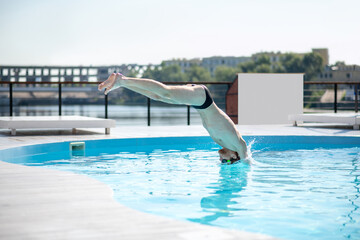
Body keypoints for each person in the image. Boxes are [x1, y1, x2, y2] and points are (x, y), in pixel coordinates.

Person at [98, 73, 248, 164]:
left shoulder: (222, 142)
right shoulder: (237, 145)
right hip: (203, 99)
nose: (222, 160)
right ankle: (122, 79)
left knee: (157, 96)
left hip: (199, 103)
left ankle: (122, 84)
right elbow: (245, 151)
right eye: (226, 161)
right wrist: (246, 162)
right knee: (166, 92)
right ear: (235, 156)